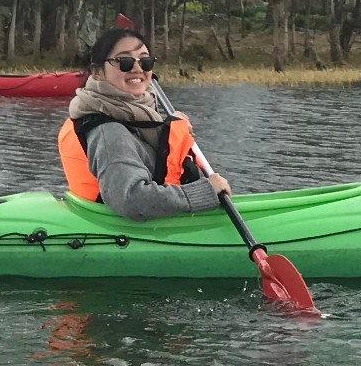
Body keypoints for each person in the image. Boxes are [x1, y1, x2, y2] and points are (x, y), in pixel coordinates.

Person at [56, 25, 231, 220]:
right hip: (126, 232)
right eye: (125, 61)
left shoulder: (135, 115)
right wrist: (205, 192)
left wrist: (172, 132)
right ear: (97, 72)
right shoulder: (109, 132)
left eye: (145, 61)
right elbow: (130, 199)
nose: (137, 68)